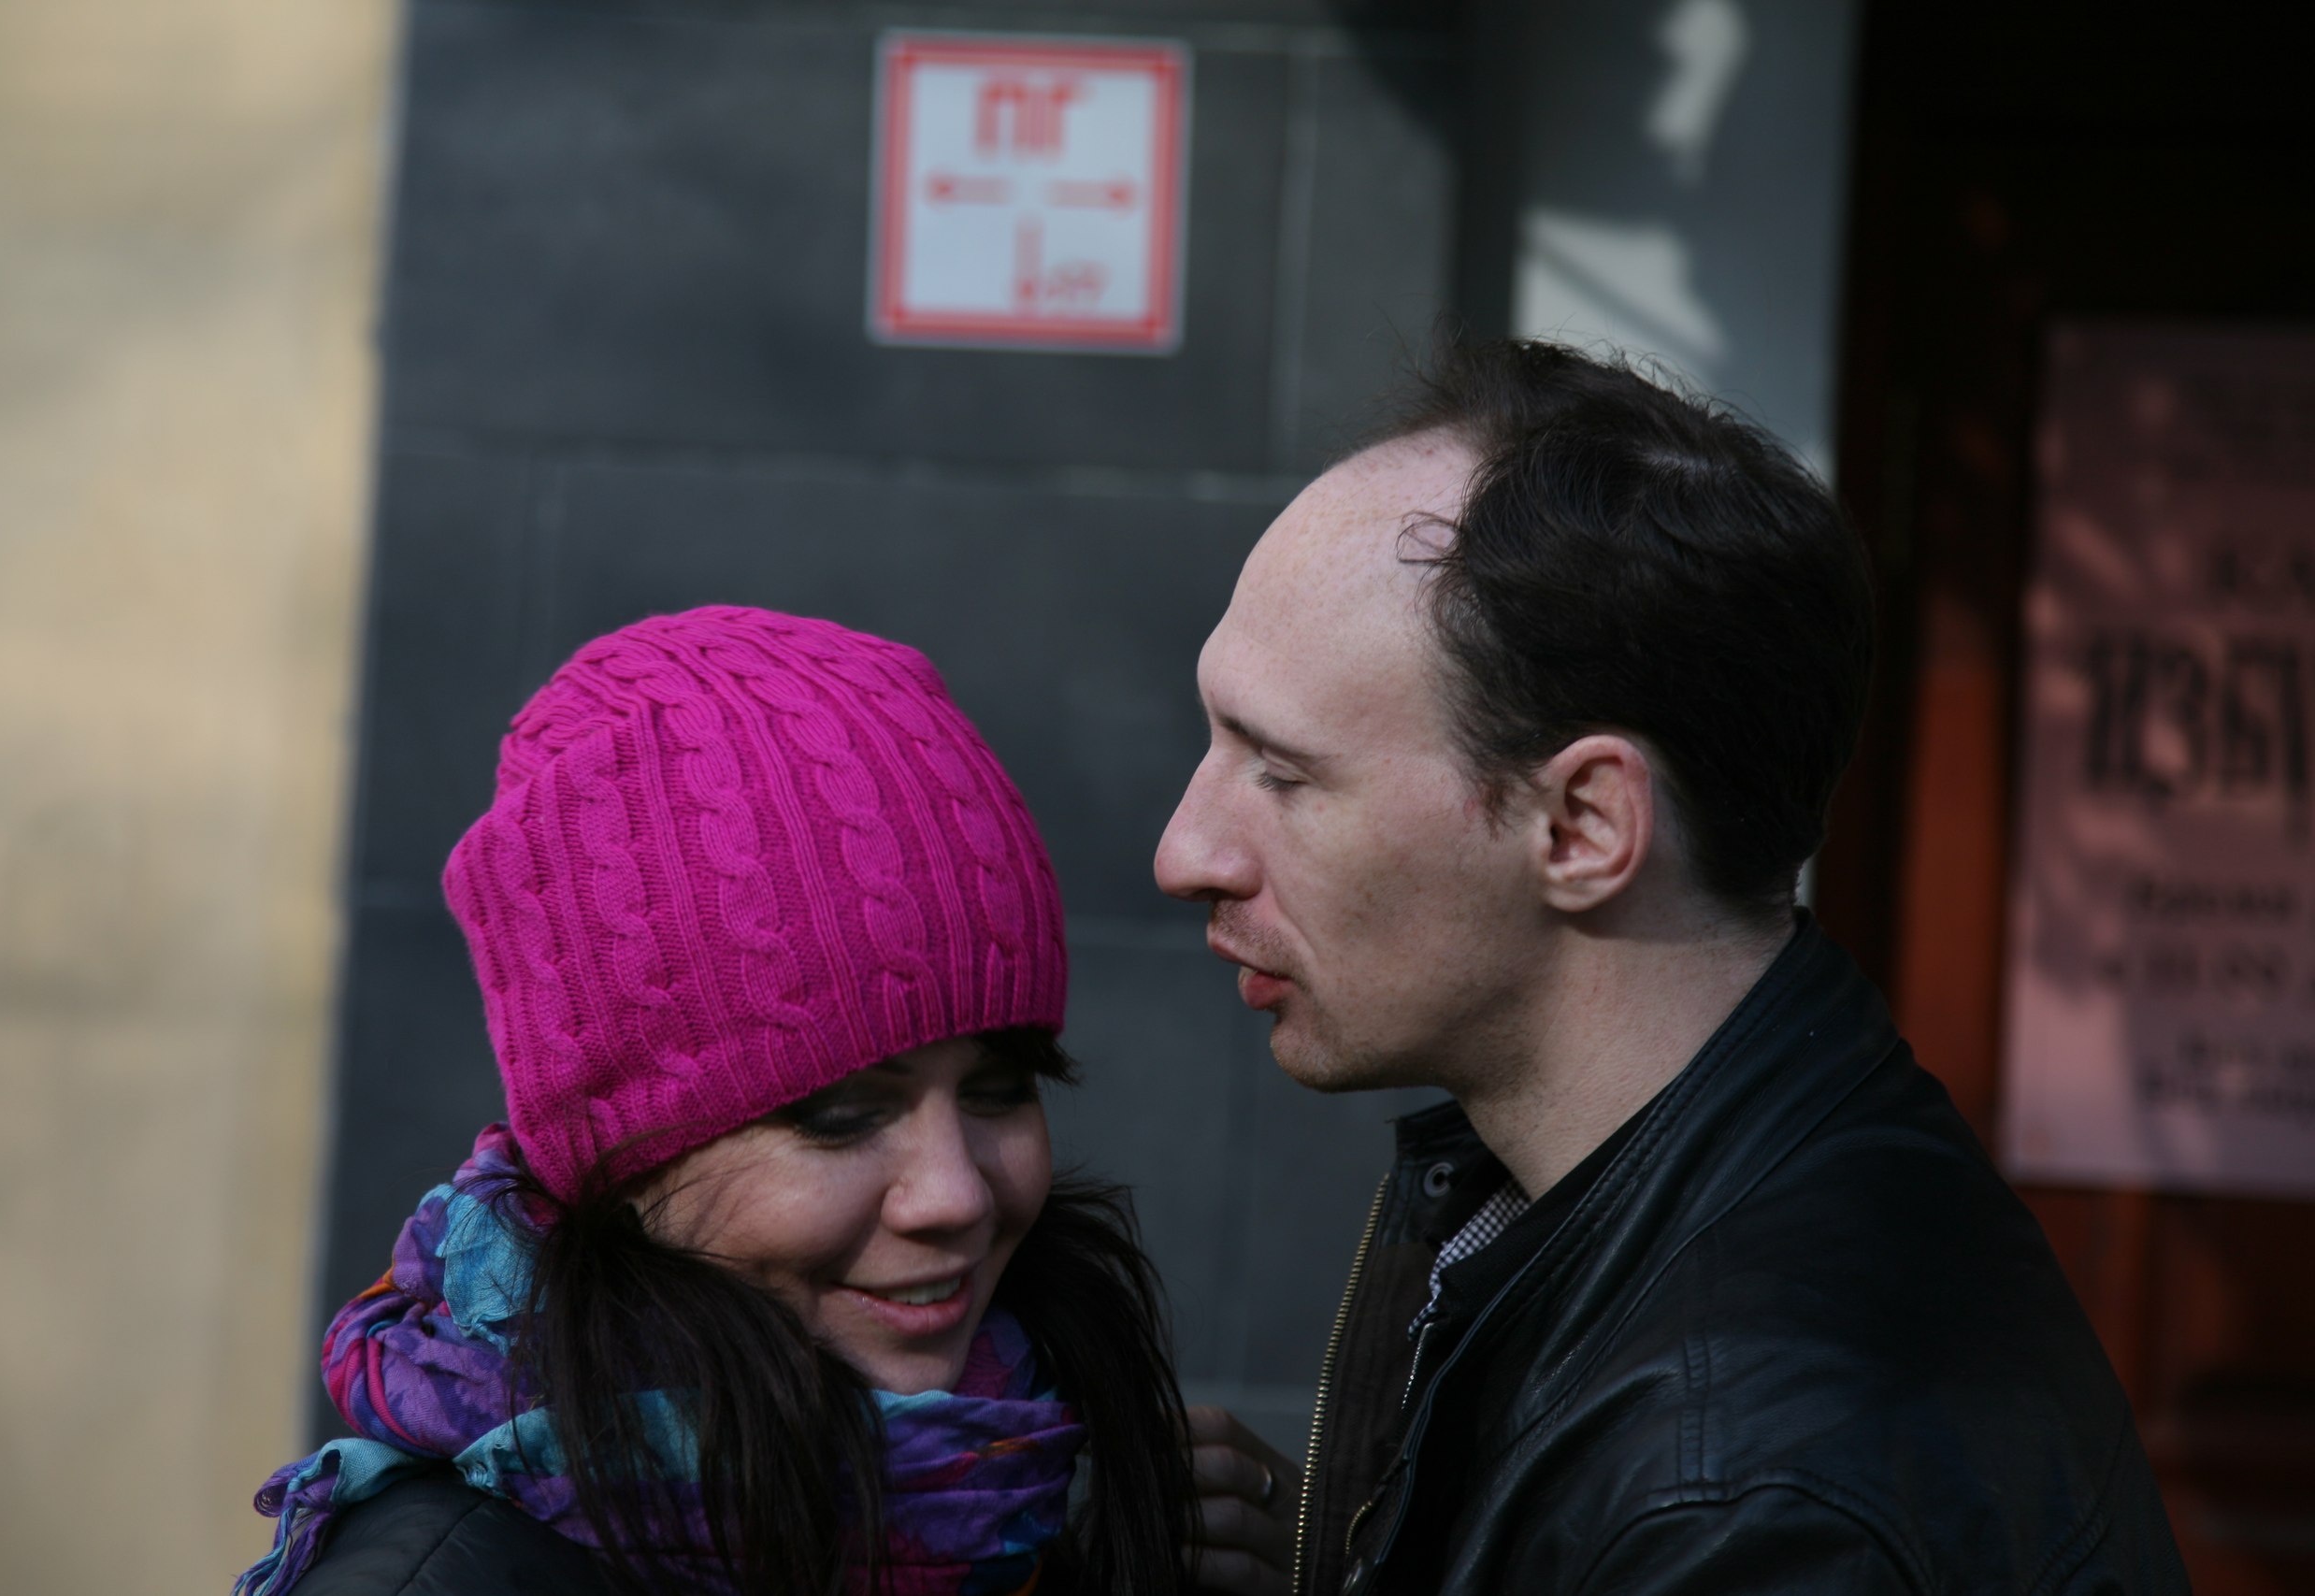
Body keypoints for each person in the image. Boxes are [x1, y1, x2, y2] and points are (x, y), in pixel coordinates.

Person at [1157, 341, 2189, 1594]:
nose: (1186, 853)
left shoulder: (1748, 1492)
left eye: (1281, 772)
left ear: (1584, 825)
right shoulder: (1670, 1198)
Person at [237, 606, 1209, 1596]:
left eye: (997, 1091)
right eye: (839, 1117)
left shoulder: (1034, 1489)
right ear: (617, 1164)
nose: (954, 1195)